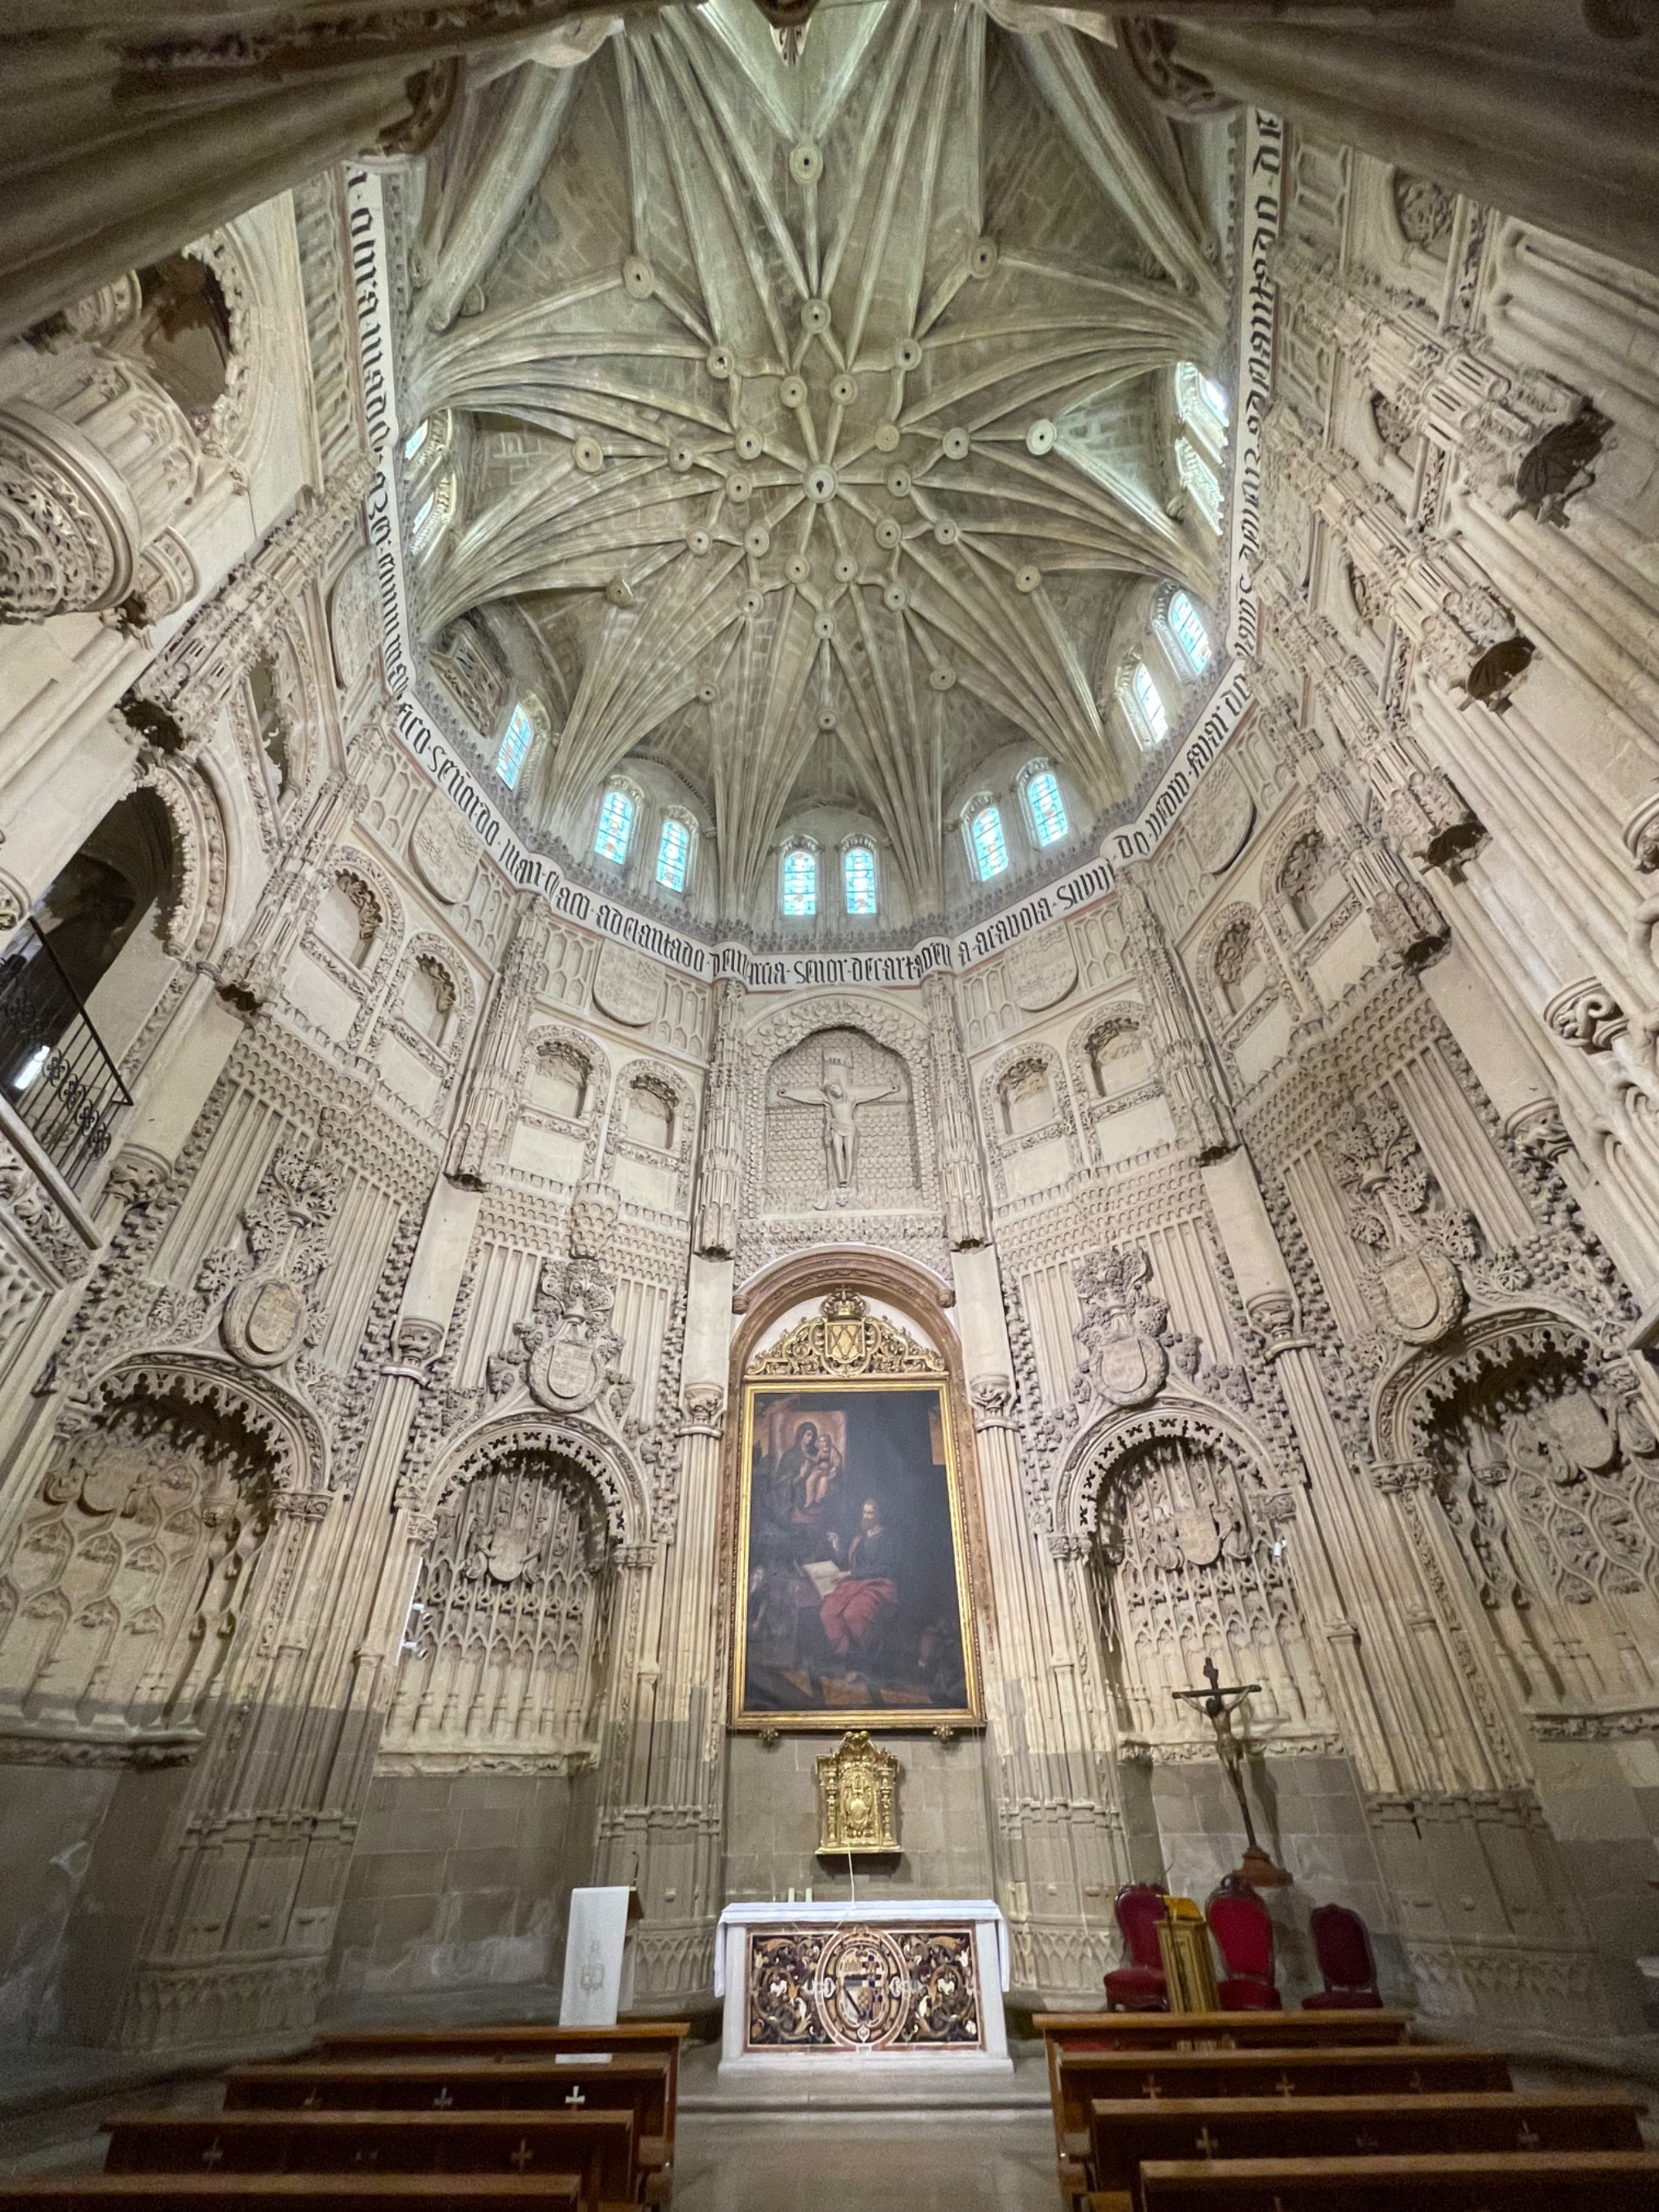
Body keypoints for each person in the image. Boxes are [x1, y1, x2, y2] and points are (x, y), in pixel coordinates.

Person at [819, 1496, 900, 1659]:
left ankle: (864, 1656)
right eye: (864, 1512)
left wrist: (850, 1574)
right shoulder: (859, 1538)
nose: (866, 1516)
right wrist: (837, 1546)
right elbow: (849, 1564)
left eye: (870, 1513)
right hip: (853, 1584)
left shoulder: (886, 1539)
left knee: (854, 1614)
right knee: (828, 1612)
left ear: (878, 1515)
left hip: (876, 1584)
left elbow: (882, 1568)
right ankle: (847, 1653)